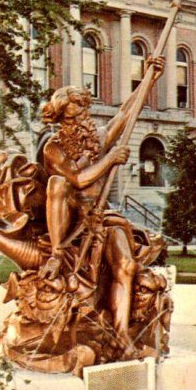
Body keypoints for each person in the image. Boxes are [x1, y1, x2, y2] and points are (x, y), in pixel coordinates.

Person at [40, 55, 165, 351]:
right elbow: (78, 179)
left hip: (101, 215)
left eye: (83, 111)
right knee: (57, 183)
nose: (81, 119)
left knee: (125, 265)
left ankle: (121, 334)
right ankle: (58, 253)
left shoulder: (97, 138)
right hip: (71, 216)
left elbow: (124, 114)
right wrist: (109, 160)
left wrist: (148, 79)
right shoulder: (53, 147)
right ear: (60, 118)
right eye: (72, 116)